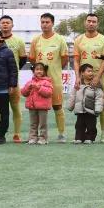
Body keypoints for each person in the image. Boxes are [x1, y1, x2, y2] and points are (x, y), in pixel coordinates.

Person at [29, 13, 69, 142]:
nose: (44, 24)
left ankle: (61, 134)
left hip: (55, 80)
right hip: (39, 82)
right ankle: (36, 136)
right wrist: (40, 73)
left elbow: (64, 59)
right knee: (37, 108)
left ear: (52, 23)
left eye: (47, 22)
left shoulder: (60, 40)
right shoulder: (36, 40)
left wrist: (54, 70)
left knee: (57, 107)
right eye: (42, 22)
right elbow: (32, 59)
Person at [73, 13, 104, 142]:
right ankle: (82, 134)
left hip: (98, 76)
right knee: (82, 104)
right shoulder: (78, 40)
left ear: (97, 24)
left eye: (94, 21)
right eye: (89, 21)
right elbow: (76, 60)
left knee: (101, 104)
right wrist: (77, 77)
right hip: (83, 78)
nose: (91, 23)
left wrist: (97, 77)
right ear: (85, 22)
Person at [0, 15, 29, 142]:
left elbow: (22, 59)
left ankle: (17, 134)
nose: (5, 25)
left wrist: (13, 72)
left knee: (15, 107)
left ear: (12, 25)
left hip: (12, 81)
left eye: (8, 23)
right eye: (3, 23)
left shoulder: (19, 41)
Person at [67, 64, 104, 144]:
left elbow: (100, 97)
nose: (91, 73)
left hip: (91, 110)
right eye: (89, 71)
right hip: (80, 110)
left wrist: (98, 109)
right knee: (79, 125)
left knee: (91, 125)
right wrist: (70, 106)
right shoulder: (78, 84)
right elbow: (73, 95)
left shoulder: (95, 84)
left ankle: (90, 138)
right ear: (82, 73)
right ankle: (79, 138)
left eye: (92, 71)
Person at [20, 62, 53, 145]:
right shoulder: (30, 82)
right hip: (32, 106)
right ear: (33, 71)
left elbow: (49, 93)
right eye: (37, 69)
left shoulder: (47, 82)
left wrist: (39, 88)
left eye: (41, 69)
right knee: (33, 124)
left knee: (43, 124)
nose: (39, 71)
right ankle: (33, 138)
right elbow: (23, 92)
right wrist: (28, 87)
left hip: (43, 107)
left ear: (44, 71)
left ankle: (43, 138)